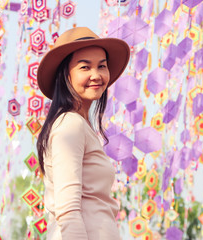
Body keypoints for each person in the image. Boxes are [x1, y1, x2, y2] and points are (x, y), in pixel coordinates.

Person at [36, 27, 130, 240]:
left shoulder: (79, 125)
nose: (96, 75)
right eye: (85, 67)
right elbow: (68, 211)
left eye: (102, 66)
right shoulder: (69, 125)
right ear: (65, 75)